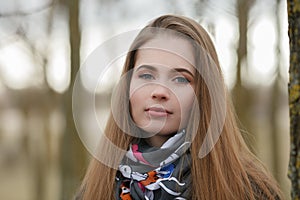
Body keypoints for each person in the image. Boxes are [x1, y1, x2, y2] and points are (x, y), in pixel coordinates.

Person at [75, 14, 283, 200]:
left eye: (181, 79)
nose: (160, 91)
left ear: (204, 94)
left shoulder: (249, 191)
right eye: (146, 75)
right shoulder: (95, 189)